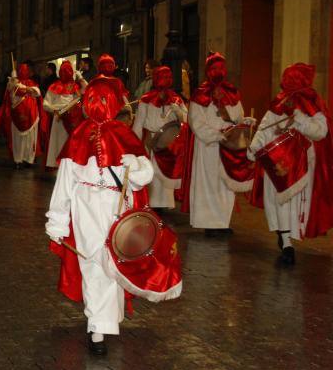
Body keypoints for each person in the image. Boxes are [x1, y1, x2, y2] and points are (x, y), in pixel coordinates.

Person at [46, 79, 181, 356]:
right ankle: (98, 327)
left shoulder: (123, 134)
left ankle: (103, 320)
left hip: (115, 207)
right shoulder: (80, 136)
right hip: (86, 209)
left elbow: (143, 176)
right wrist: (57, 218)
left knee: (113, 263)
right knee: (94, 265)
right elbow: (65, 183)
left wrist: (134, 166)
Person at [248, 63, 333, 265]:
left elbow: (320, 132)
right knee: (278, 201)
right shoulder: (279, 102)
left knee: (291, 204)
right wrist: (253, 148)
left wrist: (298, 118)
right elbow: (265, 128)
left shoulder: (313, 103)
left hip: (300, 165)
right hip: (276, 161)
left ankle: (287, 240)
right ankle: (285, 241)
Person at [181, 53, 256, 236]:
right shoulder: (200, 94)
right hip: (209, 147)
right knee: (208, 185)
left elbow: (237, 118)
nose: (218, 71)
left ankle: (222, 222)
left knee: (225, 185)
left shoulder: (232, 93)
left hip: (228, 147)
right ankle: (209, 223)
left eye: (221, 67)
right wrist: (216, 135)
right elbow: (195, 122)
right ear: (208, 71)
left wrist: (246, 122)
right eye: (214, 68)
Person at [132, 66, 188, 209]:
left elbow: (187, 119)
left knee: (167, 173)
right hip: (151, 140)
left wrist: (179, 112)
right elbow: (139, 123)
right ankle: (153, 203)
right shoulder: (146, 100)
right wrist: (134, 143)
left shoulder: (176, 99)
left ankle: (165, 204)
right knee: (153, 173)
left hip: (169, 142)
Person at [0, 63, 44, 168]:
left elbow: (37, 93)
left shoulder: (32, 83)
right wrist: (13, 82)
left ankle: (28, 159)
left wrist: (22, 87)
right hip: (17, 115)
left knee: (29, 140)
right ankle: (18, 160)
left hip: (31, 116)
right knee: (18, 139)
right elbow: (10, 93)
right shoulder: (12, 83)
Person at [42, 61, 81, 169]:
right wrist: (54, 110)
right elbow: (45, 104)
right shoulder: (54, 86)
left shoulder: (75, 87)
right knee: (58, 142)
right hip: (58, 118)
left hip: (72, 120)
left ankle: (68, 165)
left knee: (69, 143)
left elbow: (79, 102)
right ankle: (58, 164)